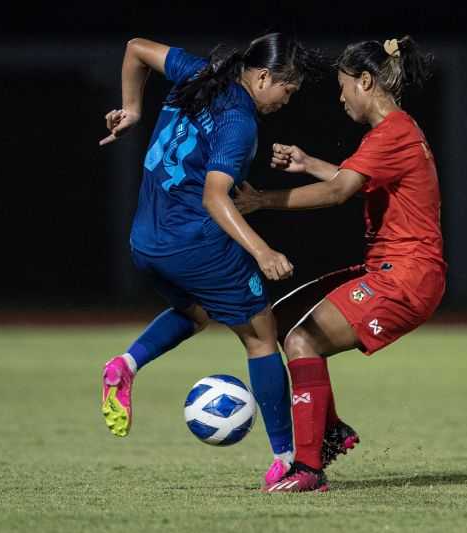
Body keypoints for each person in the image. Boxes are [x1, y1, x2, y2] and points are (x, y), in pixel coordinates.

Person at [98, 34, 324, 485]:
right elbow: (215, 196)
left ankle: (125, 364)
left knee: (196, 311)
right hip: (193, 242)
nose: (288, 100)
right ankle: (286, 460)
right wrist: (262, 251)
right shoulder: (239, 122)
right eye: (289, 90)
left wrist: (134, 109)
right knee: (262, 336)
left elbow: (135, 48)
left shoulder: (201, 73)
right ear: (263, 76)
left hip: (146, 240)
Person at [234, 36, 446, 492]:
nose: (341, 96)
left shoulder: (392, 133)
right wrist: (308, 162)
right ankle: (328, 429)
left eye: (344, 86)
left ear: (365, 81)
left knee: (303, 341)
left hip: (407, 278)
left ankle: (308, 469)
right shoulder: (396, 131)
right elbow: (350, 179)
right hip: (392, 270)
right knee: (280, 320)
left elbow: (339, 192)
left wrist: (263, 201)